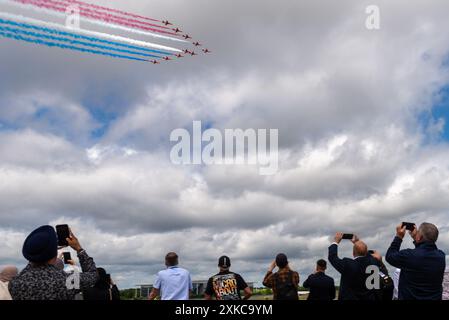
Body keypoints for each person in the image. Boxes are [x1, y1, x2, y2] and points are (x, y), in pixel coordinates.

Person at [8, 225, 98, 300]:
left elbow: (33, 260)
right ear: (54, 252)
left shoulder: (14, 283)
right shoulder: (67, 280)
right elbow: (93, 274)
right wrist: (79, 249)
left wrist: (48, 249)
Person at [386, 222, 446, 300]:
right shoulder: (441, 256)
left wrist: (399, 237)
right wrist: (416, 237)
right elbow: (422, 253)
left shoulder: (408, 256)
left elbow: (390, 256)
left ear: (420, 237)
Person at [328, 233, 380, 300]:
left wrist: (336, 242)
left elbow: (332, 257)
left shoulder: (348, 264)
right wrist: (357, 242)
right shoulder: (374, 263)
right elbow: (369, 256)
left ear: (353, 253)